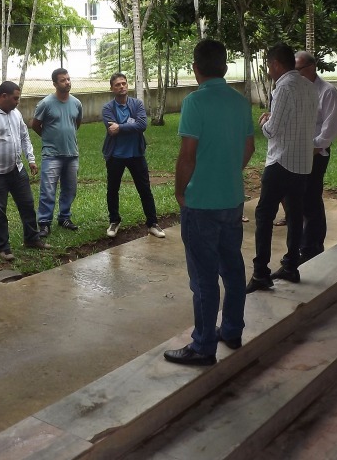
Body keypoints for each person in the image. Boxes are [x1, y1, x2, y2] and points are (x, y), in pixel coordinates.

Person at [163, 39, 255, 366]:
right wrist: (229, 172)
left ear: (196, 68)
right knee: (231, 268)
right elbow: (249, 149)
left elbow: (186, 156)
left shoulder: (195, 102)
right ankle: (231, 329)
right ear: (225, 67)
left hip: (201, 203)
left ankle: (203, 346)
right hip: (232, 199)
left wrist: (180, 191)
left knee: (203, 278)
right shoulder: (240, 102)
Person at [245, 43, 318, 293]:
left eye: (268, 65)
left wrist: (264, 121)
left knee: (264, 216)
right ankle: (290, 266)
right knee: (295, 215)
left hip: (280, 162)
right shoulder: (310, 87)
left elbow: (273, 129)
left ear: (276, 64)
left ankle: (261, 273)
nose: (268, 70)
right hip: (302, 163)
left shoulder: (283, 88)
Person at [0, 81, 51, 262]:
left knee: (28, 204)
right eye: (15, 98)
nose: (18, 102)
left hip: (17, 169)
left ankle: (32, 238)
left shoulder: (15, 114)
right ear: (3, 96)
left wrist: (30, 159)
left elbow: (24, 136)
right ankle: (3, 248)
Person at [101, 73, 165, 239]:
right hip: (116, 155)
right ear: (112, 88)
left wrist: (121, 127)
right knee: (113, 189)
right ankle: (114, 221)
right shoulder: (108, 108)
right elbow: (111, 130)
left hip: (136, 154)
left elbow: (142, 125)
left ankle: (152, 223)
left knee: (144, 189)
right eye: (117, 84)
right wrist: (130, 125)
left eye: (124, 83)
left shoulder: (137, 104)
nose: (122, 86)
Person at [295, 50, 337, 263]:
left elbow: (329, 131)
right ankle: (303, 244)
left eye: (298, 70)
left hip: (316, 153)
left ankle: (312, 248)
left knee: (311, 199)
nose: (295, 74)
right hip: (297, 153)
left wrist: (311, 149)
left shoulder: (327, 92)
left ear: (312, 67)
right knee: (300, 200)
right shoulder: (297, 90)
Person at [31, 68, 83, 237]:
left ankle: (64, 217)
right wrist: (48, 139)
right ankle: (44, 223)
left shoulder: (76, 103)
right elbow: (35, 125)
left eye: (68, 79)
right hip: (51, 154)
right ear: (55, 83)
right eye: (63, 80)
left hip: (71, 154)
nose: (67, 82)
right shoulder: (46, 103)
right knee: (48, 189)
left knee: (70, 188)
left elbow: (77, 123)